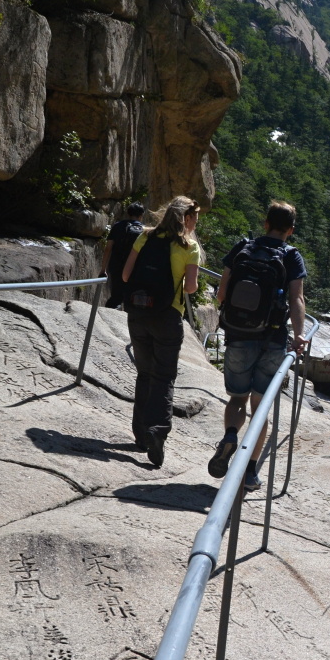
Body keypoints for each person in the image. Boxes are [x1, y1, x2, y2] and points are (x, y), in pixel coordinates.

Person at [208, 200, 308, 489]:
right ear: (290, 230)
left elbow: (221, 295)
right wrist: (299, 335)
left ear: (265, 223)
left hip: (238, 336)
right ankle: (250, 471)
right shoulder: (291, 256)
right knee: (260, 407)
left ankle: (230, 434)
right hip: (273, 339)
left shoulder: (243, 248)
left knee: (237, 399)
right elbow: (297, 298)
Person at [121, 196, 202, 468]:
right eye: (195, 218)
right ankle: (157, 430)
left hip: (138, 313)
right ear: (186, 218)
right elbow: (190, 288)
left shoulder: (145, 236)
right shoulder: (189, 247)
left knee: (144, 373)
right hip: (168, 316)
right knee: (164, 377)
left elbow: (125, 276)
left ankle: (141, 435)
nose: (196, 223)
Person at [102, 202, 145, 308]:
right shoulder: (144, 230)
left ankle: (109, 313)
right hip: (135, 268)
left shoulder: (118, 226)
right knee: (132, 296)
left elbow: (108, 248)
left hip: (116, 265)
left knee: (116, 295)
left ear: (128, 214)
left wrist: (103, 269)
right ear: (141, 216)